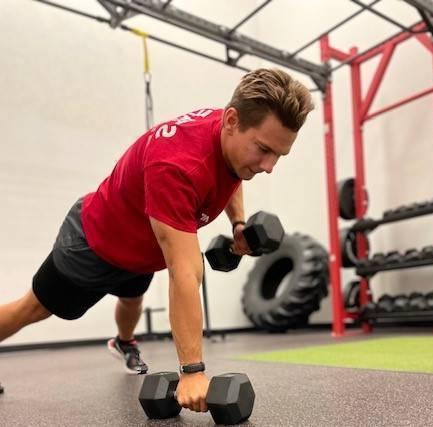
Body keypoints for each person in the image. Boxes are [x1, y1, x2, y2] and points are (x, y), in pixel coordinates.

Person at [0, 68, 314, 412]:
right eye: (264, 150)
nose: (269, 166)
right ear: (232, 120)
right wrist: (192, 371)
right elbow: (185, 272)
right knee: (30, 309)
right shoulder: (176, 166)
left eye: (279, 156)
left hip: (141, 246)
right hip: (94, 242)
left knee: (132, 300)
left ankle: (124, 342)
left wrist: (238, 223)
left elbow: (233, 176)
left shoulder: (229, 135)